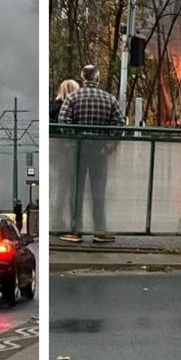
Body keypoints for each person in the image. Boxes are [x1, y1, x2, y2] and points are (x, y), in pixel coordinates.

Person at [57, 65, 124, 244]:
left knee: (76, 191)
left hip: (78, 152)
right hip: (99, 153)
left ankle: (75, 231)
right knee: (98, 191)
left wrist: (75, 141)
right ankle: (100, 231)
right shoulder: (109, 99)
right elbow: (119, 124)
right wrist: (107, 145)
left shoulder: (72, 98)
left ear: (82, 77)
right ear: (98, 78)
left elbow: (63, 122)